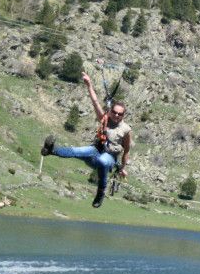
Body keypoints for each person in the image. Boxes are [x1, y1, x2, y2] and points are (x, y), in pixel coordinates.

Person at [41, 71, 132, 208]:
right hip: (95, 150)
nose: (116, 115)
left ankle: (100, 193)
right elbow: (95, 102)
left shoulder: (126, 130)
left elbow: (126, 152)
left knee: (103, 160)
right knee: (77, 151)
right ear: (110, 111)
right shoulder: (104, 119)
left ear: (123, 115)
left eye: (120, 114)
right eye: (114, 112)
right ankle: (50, 150)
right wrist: (89, 84)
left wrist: (122, 168)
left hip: (109, 158)